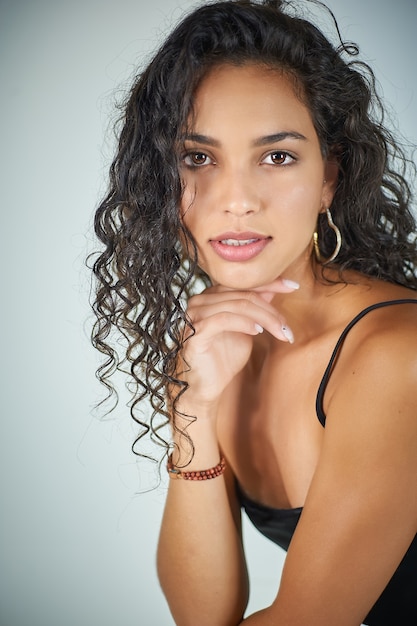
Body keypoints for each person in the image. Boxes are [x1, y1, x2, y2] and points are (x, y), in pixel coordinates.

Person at [90, 1, 417, 624]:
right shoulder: (216, 344)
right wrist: (192, 406)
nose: (235, 200)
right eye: (199, 158)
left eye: (276, 156)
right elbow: (201, 613)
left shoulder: (396, 353)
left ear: (329, 178)